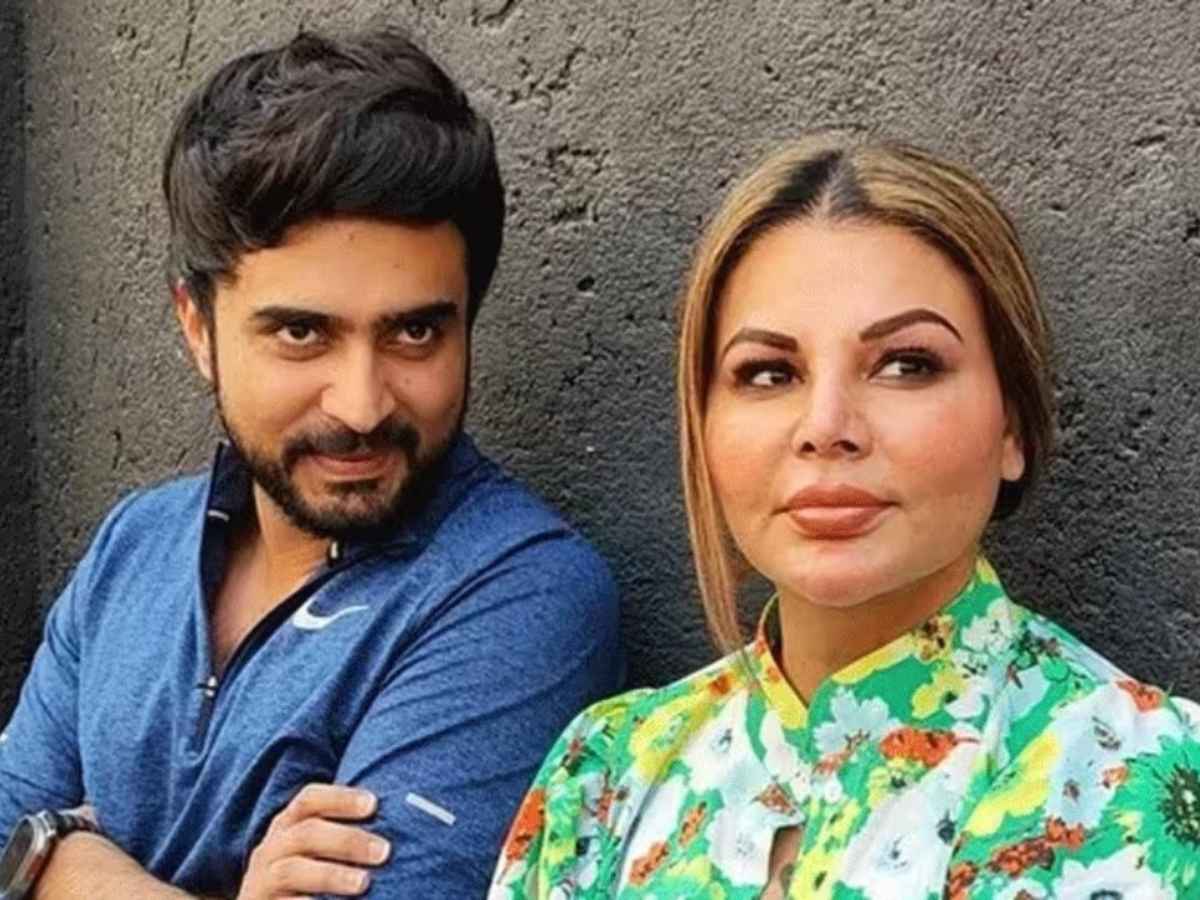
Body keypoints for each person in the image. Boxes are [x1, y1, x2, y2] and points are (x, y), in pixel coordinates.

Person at [489, 134, 1200, 898]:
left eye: (906, 365)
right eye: (769, 373)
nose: (826, 426)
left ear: (1013, 426)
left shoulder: (1151, 778)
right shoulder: (603, 780)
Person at [0, 27, 622, 900]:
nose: (362, 405)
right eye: (302, 332)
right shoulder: (132, 548)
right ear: (197, 327)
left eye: (416, 332)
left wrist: (54, 861)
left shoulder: (521, 592)